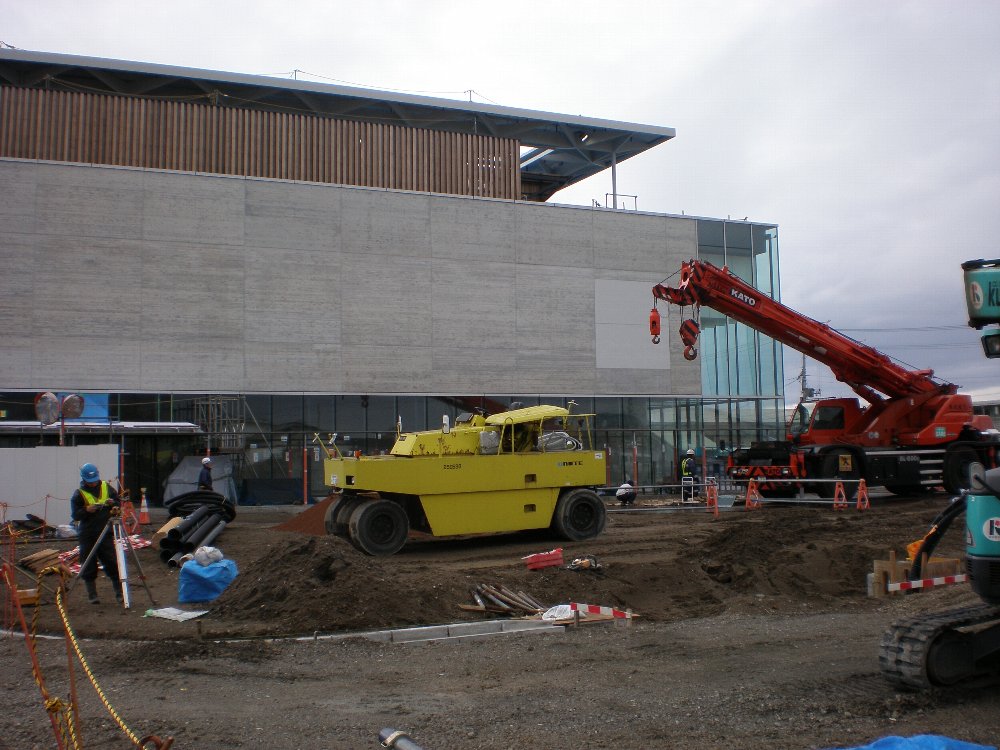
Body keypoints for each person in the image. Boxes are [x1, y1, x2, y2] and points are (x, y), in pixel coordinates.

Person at [70, 463, 121, 605]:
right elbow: (75, 515)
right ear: (84, 480)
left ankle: (119, 592)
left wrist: (113, 503)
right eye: (90, 482)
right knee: (88, 563)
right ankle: (92, 594)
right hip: (87, 533)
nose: (93, 484)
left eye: (94, 481)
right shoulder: (78, 494)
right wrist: (87, 510)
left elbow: (118, 502)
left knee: (111, 561)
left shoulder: (106, 487)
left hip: (105, 531)